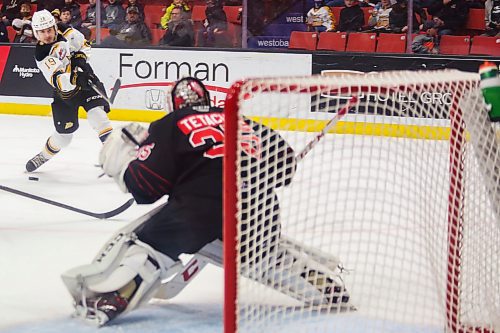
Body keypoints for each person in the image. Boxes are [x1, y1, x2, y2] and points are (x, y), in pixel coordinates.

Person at [60, 77, 351, 326]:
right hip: (261, 212)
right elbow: (286, 168)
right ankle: (324, 287)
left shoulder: (172, 122)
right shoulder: (240, 119)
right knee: (260, 253)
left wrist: (124, 166)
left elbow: (147, 188)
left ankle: (110, 297)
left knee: (146, 240)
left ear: (175, 103)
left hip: (198, 212)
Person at [25, 9, 112, 172]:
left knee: (98, 116)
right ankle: (44, 155)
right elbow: (60, 81)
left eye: (49, 29)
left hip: (85, 82)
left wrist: (80, 60)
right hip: (66, 94)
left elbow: (84, 45)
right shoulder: (42, 54)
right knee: (64, 137)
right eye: (42, 32)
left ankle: (116, 157)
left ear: (54, 26)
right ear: (36, 33)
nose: (47, 34)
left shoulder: (66, 30)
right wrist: (75, 78)